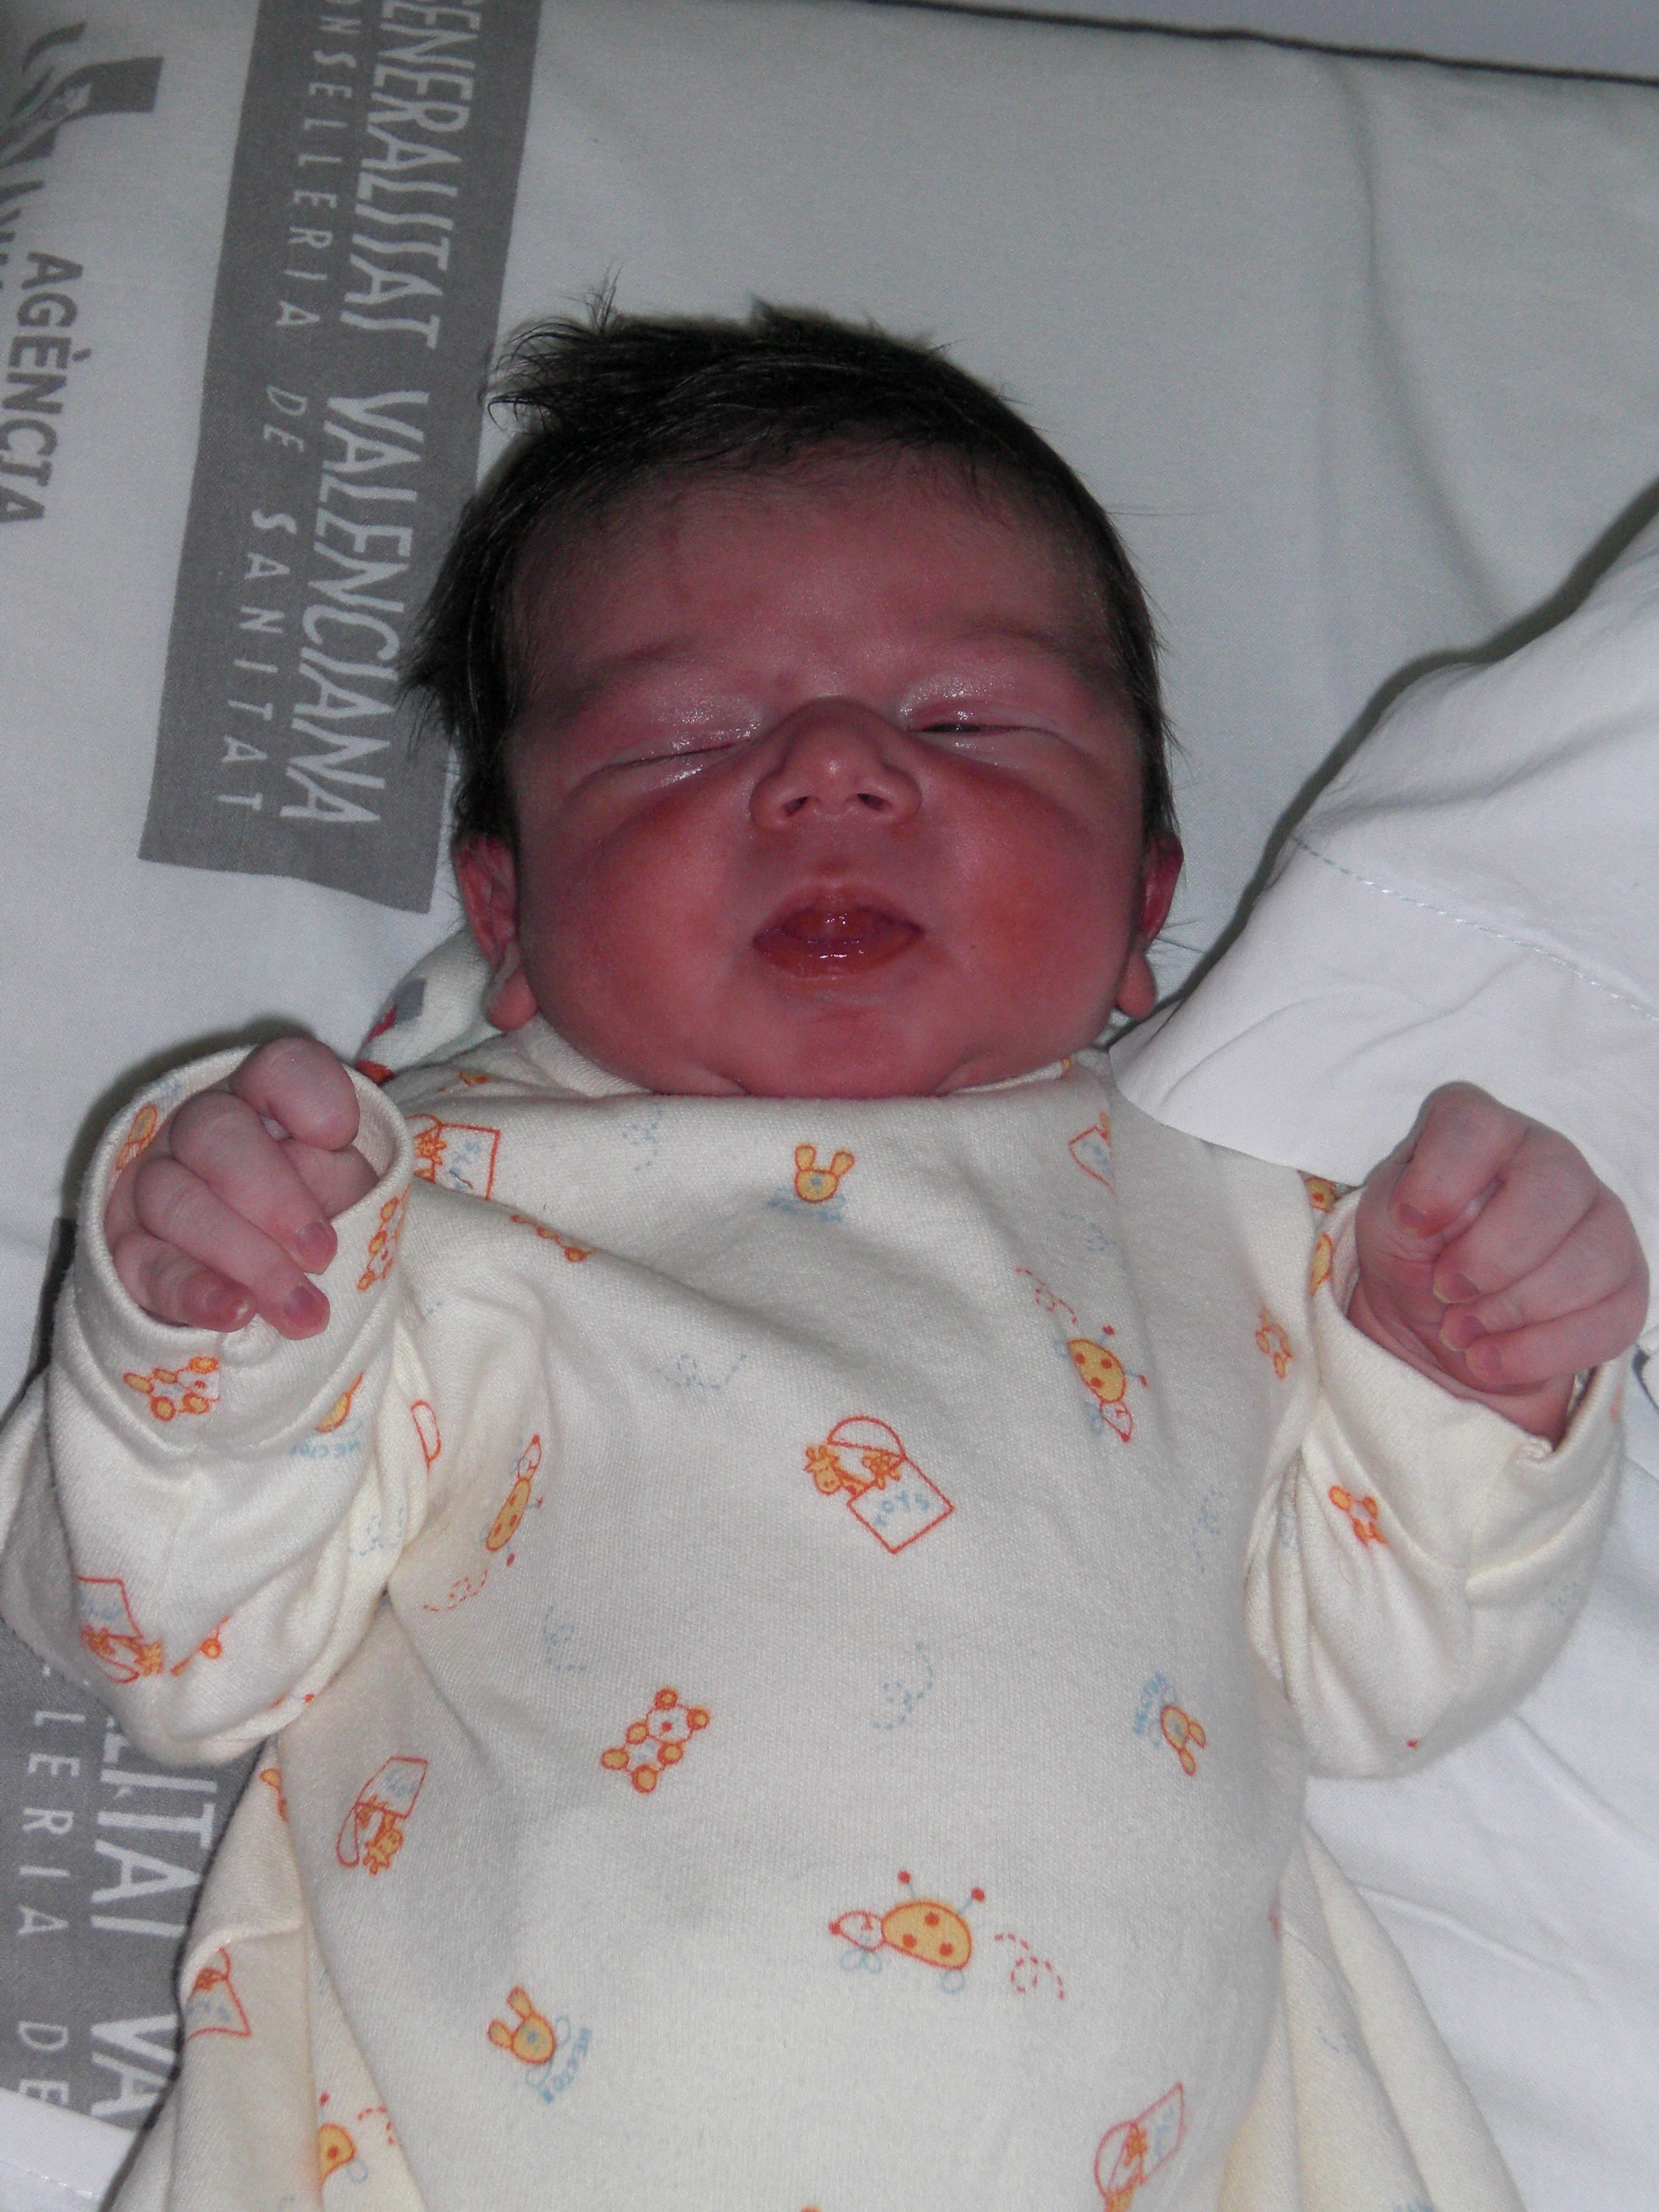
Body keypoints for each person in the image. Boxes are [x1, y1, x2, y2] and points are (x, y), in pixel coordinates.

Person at [0, 307, 1644, 2212]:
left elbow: (1384, 1682)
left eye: (965, 722)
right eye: (683, 741)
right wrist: (213, 1324)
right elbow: (178, 1642)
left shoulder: (1252, 1201)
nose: (836, 771)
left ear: (1147, 899)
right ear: (507, 914)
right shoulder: (418, 1201)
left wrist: (1461, 1371)